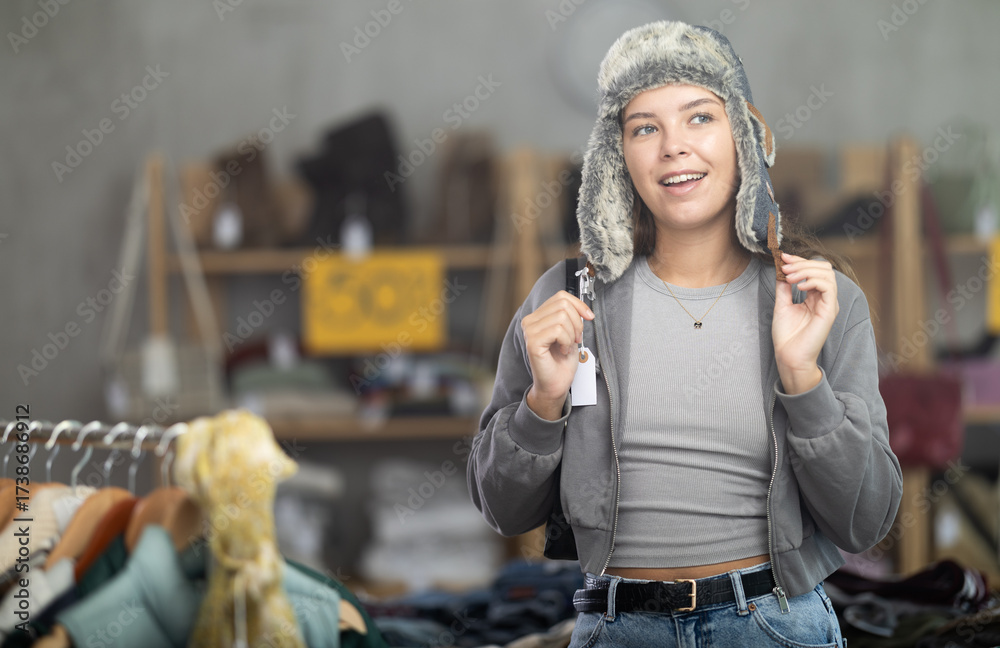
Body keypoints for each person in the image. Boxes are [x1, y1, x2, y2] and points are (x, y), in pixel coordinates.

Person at [467, 20, 903, 647]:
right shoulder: (568, 297)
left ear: (745, 138)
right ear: (617, 155)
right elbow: (503, 510)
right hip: (614, 630)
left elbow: (866, 521)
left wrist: (803, 378)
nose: (674, 146)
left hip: (773, 627)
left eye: (700, 117)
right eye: (645, 127)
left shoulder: (818, 300)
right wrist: (542, 404)